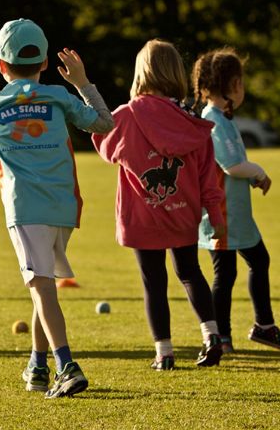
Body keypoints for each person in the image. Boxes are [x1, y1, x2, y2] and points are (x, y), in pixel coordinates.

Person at [0, 19, 114, 397]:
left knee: (42, 287)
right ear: (44, 63)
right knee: (43, 286)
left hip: (25, 208)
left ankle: (66, 366)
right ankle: (37, 366)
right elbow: (105, 123)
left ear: (1, 65)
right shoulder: (59, 96)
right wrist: (83, 83)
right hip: (64, 207)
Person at [92, 39, 227, 370]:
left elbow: (103, 144)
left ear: (141, 73)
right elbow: (208, 176)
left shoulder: (126, 116)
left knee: (154, 283)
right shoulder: (191, 121)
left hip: (142, 219)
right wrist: (216, 216)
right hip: (183, 215)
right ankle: (212, 336)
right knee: (190, 272)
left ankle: (164, 353)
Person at [192, 47, 280, 354]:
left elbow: (231, 163)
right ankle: (224, 336)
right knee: (228, 273)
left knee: (249, 264)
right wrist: (259, 172)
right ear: (234, 84)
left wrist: (251, 176)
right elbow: (231, 165)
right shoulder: (213, 119)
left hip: (235, 214)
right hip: (223, 214)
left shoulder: (220, 118)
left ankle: (258, 328)